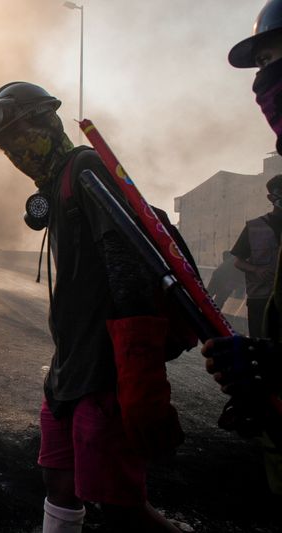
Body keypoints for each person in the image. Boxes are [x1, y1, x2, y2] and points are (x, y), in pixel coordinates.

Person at [0, 82, 185, 532]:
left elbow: (127, 263)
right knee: (59, 482)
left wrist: (135, 368)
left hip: (102, 371)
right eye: (6, 144)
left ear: (48, 119)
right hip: (67, 370)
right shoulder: (57, 184)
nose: (14, 150)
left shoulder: (86, 168)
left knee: (119, 505)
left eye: (18, 134)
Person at [202, 0, 282, 497]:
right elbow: (230, 271)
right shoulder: (260, 225)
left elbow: (230, 269)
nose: (263, 85)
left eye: (273, 62)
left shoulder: (257, 225)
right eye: (262, 68)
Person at [229, 175, 282, 336]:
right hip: (261, 299)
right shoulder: (254, 227)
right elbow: (238, 261)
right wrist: (256, 270)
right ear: (270, 197)